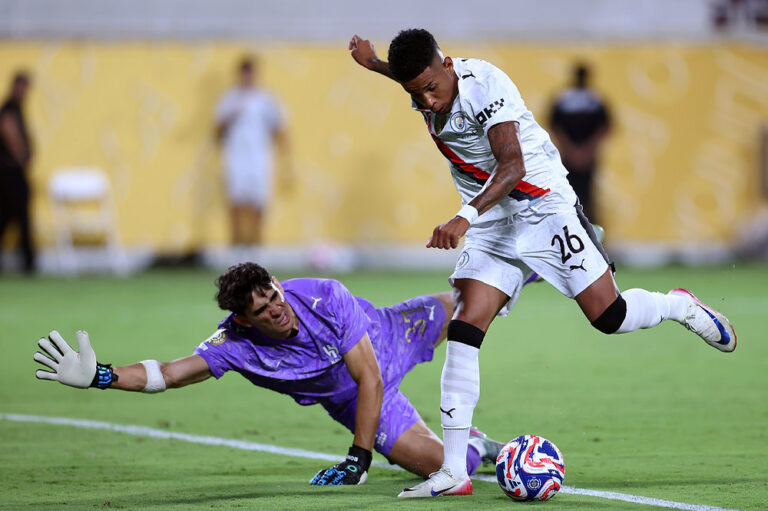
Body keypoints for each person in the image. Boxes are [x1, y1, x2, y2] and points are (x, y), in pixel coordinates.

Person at [348, 29, 737, 498]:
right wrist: (375, 66)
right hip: (494, 220)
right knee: (466, 323)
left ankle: (677, 305)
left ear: (447, 65)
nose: (428, 101)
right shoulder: (425, 83)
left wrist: (462, 217)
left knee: (609, 317)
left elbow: (513, 165)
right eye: (417, 92)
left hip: (543, 207)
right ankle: (453, 470)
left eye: (432, 87)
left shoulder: (485, 87)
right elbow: (414, 78)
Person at [33, 262, 504, 487]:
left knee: (473, 297)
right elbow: (171, 373)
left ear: (278, 285)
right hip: (353, 401)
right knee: (453, 470)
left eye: (275, 296)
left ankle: (539, 263)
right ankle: (480, 445)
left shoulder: (324, 294)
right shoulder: (235, 346)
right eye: (263, 310)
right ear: (243, 320)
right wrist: (102, 375)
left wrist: (357, 461)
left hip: (385, 336)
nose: (278, 310)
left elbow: (372, 378)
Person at [215, 57, 291, 245]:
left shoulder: (266, 100)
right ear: (240, 75)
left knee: (259, 200)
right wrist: (230, 118)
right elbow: (217, 132)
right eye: (244, 73)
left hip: (259, 156)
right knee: (236, 200)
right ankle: (236, 244)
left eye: (251, 73)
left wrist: (285, 157)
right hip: (236, 157)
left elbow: (279, 127)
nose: (247, 77)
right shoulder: (229, 100)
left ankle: (257, 243)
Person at [548, 63, 611, 223]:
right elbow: (555, 126)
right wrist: (580, 150)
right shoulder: (591, 99)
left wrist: (577, 150)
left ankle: (587, 234)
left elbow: (604, 128)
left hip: (577, 155)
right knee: (569, 195)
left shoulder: (587, 99)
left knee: (585, 196)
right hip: (576, 155)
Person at [0, 71, 35, 273]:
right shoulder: (10, 108)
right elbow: (9, 131)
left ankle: (28, 261)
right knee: (20, 216)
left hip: (9, 172)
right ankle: (29, 262)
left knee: (6, 217)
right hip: (9, 173)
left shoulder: (17, 107)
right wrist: (22, 157)